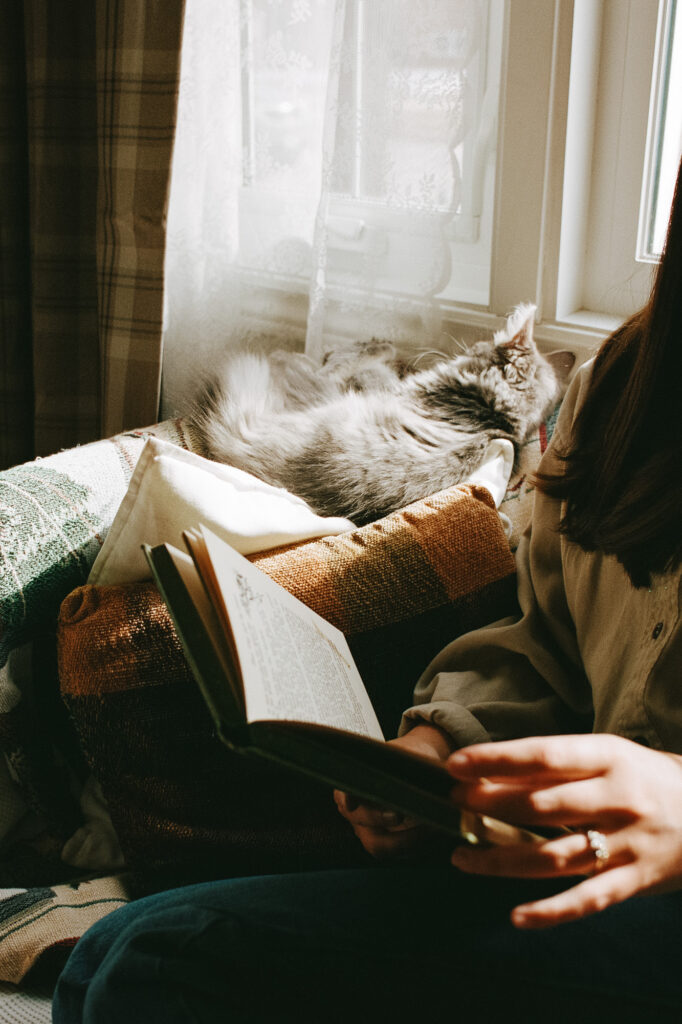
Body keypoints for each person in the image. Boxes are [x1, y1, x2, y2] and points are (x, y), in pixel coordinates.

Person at [52, 159, 682, 1023]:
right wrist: (434, 757)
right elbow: (545, 641)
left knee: (163, 961)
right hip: (576, 873)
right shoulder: (626, 390)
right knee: (99, 957)